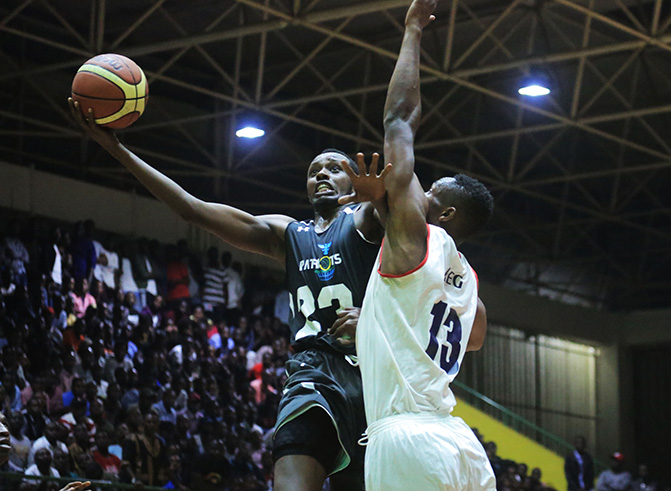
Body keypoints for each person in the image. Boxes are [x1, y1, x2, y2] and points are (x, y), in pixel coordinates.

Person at [68, 98, 385, 491]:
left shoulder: (369, 220)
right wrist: (115, 148)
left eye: (334, 169)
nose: (321, 174)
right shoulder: (288, 233)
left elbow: (412, 210)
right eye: (313, 171)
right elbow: (192, 209)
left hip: (371, 377)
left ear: (354, 182)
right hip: (311, 372)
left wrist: (382, 198)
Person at [352, 1, 494, 488]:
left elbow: (399, 119)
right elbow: (473, 339)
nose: (420, 190)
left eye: (430, 192)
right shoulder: (469, 282)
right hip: (461, 445)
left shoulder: (416, 236)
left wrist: (412, 29)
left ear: (446, 214)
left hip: (407, 439)